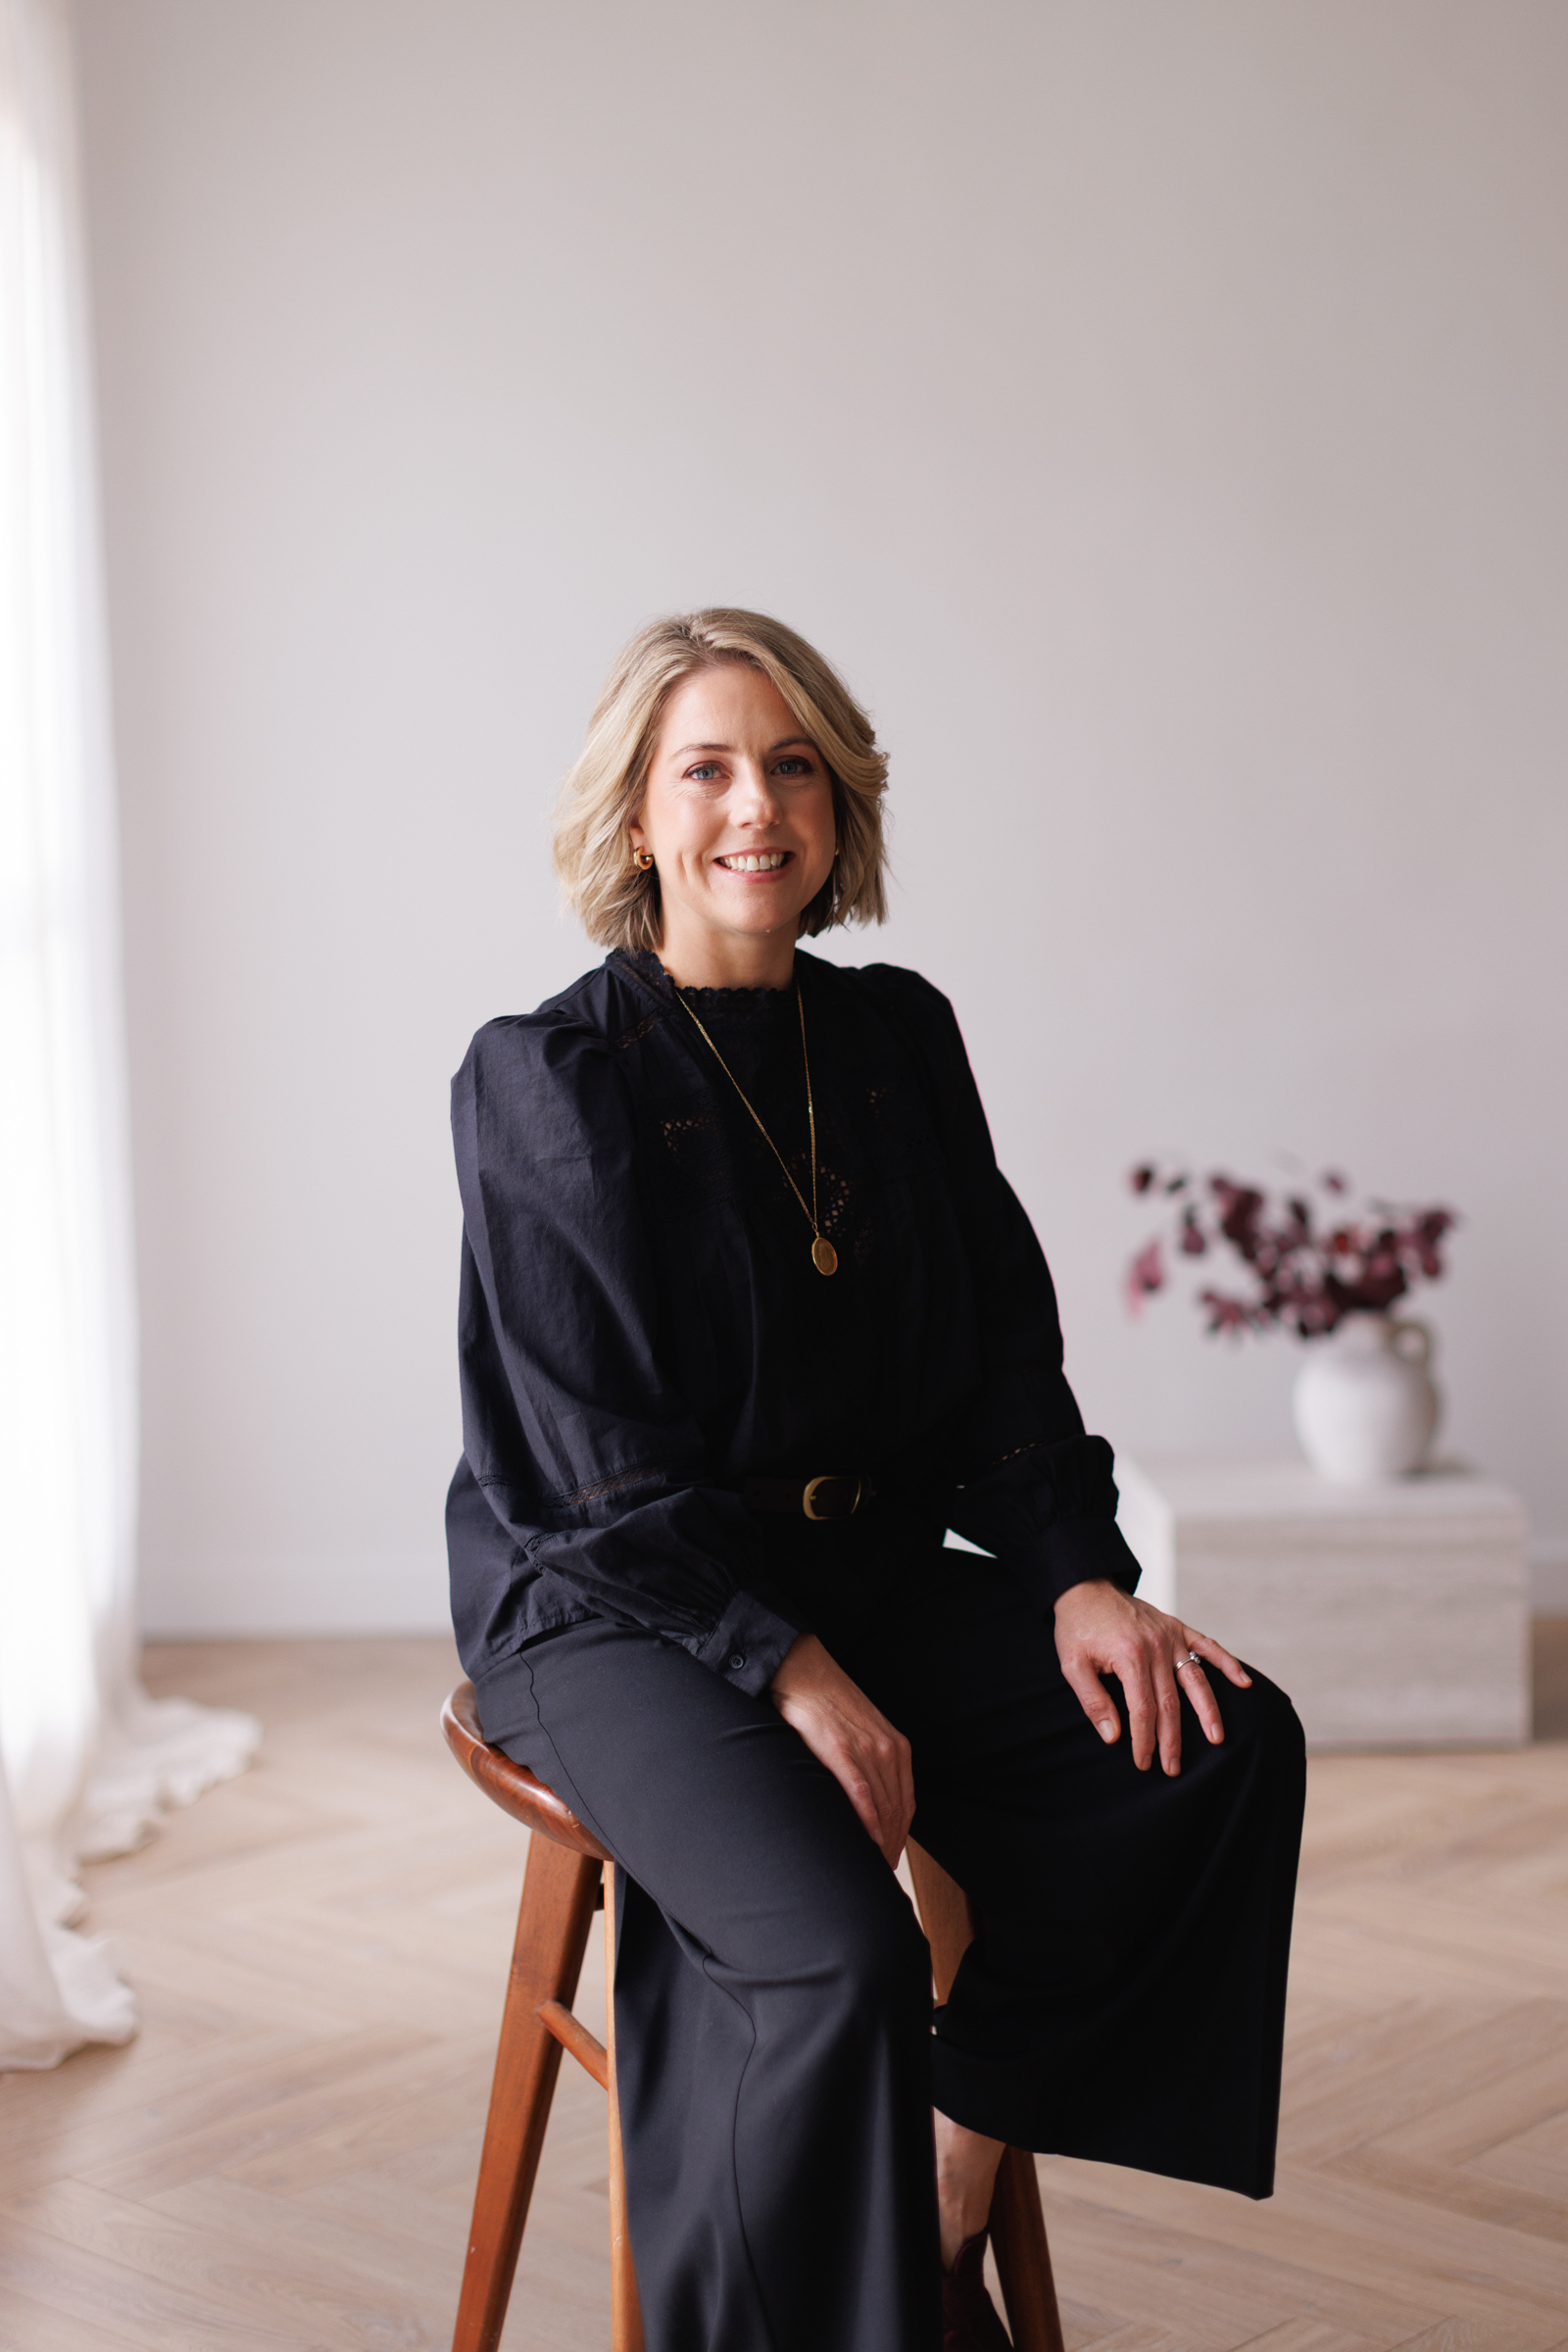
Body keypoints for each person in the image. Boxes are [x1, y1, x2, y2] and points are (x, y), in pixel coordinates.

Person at [446, 610, 1306, 2352]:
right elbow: (598, 1466)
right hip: (617, 1604)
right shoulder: (548, 1077)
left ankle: (946, 2184)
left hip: (863, 1572)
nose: (756, 805)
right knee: (836, 1949)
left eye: (794, 765)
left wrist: (1078, 1571)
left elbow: (1000, 1344)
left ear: (839, 806)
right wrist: (791, 1675)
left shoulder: (898, 1040)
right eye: (707, 768)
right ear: (637, 818)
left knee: (1216, 1749)